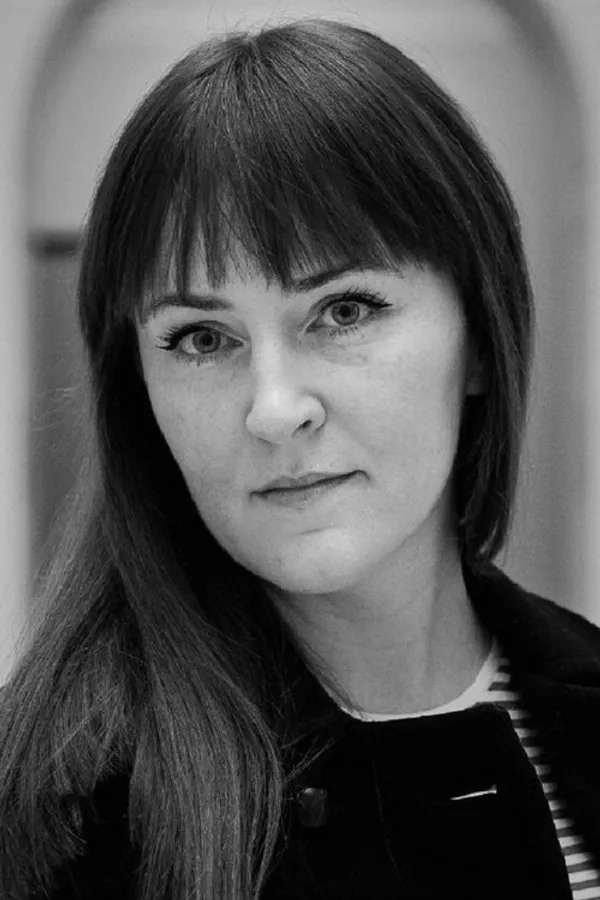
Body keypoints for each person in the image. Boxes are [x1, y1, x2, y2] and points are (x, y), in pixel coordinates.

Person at [1, 15, 600, 900]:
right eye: (203, 338)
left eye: (344, 311)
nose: (275, 410)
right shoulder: (58, 815)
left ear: (477, 335)